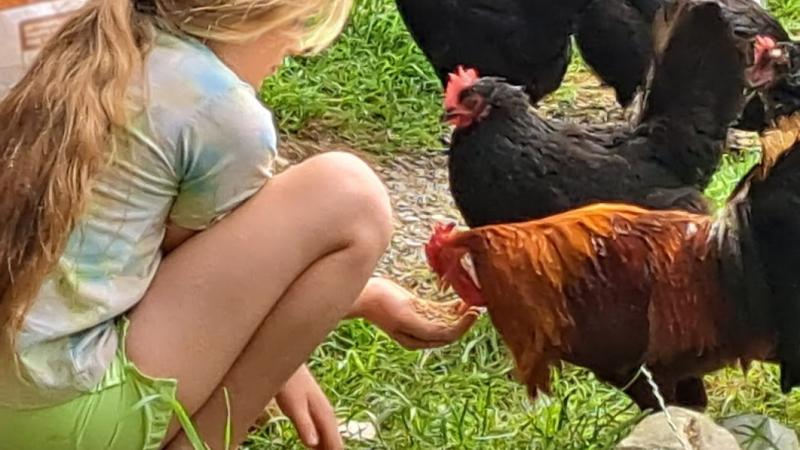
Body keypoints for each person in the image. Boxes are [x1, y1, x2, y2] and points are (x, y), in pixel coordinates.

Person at [0, 0, 479, 449]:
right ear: (251, 13)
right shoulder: (220, 108)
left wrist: (356, 303)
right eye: (296, 23)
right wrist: (292, 347)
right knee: (350, 195)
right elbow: (191, 281)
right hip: (62, 411)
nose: (293, 47)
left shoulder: (90, 44)